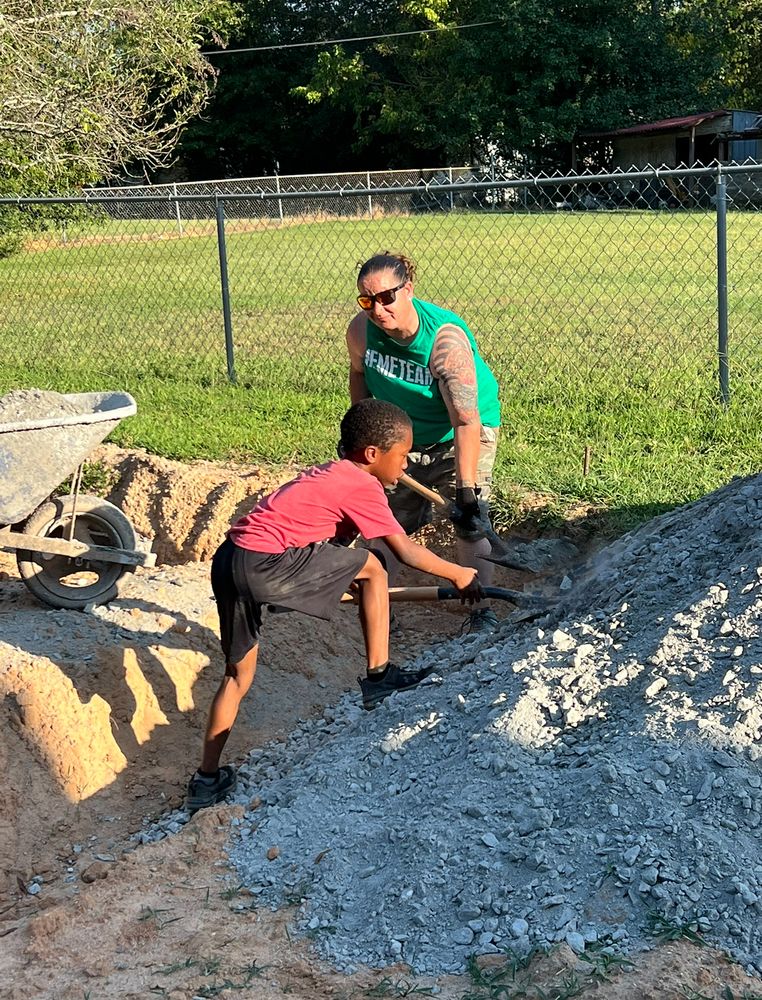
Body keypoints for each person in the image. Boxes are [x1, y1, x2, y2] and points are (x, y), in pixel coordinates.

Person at [185, 398, 482, 814]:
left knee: (238, 675)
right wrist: (458, 573)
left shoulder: (328, 476)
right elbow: (404, 551)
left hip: (231, 558)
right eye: (402, 456)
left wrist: (349, 584)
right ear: (372, 454)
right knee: (375, 568)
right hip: (267, 563)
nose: (406, 466)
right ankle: (379, 676)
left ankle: (207, 779)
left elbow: (322, 551)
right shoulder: (362, 486)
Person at [346, 252, 502, 634]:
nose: (378, 310)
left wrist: (467, 491)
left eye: (387, 298)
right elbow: (358, 377)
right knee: (385, 522)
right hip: (400, 436)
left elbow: (465, 421)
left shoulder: (445, 342)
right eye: (368, 301)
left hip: (458, 434)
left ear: (408, 290)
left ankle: (482, 611)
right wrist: (361, 431)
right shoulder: (361, 331)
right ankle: (379, 608)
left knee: (470, 524)